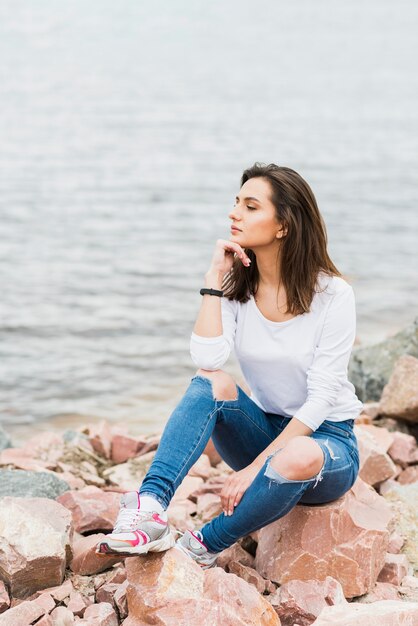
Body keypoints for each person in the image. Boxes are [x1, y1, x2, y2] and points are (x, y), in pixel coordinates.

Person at [96, 162, 362, 568]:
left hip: (326, 445)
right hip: (264, 428)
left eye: (251, 206)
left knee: (297, 455)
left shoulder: (333, 294)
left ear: (284, 226)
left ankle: (204, 543)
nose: (234, 213)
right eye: (236, 202)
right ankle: (150, 507)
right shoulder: (241, 287)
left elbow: (322, 397)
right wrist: (213, 281)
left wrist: (256, 468)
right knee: (211, 382)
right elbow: (208, 359)